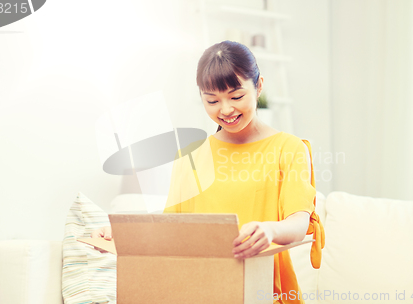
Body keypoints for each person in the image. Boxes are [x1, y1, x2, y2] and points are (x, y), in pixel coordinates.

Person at [92, 40, 325, 304]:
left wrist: (270, 230)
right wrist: (123, 231)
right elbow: (174, 228)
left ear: (259, 86)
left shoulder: (289, 148)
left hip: (262, 291)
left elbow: (298, 223)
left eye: (236, 97)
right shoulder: (191, 156)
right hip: (199, 290)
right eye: (212, 100)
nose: (225, 110)